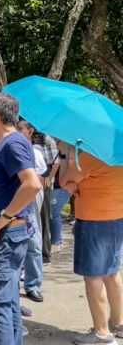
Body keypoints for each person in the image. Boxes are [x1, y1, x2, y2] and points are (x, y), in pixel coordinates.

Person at [0, 94, 42, 345]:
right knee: (8, 303)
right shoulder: (9, 142)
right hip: (3, 236)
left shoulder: (12, 143)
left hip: (1, 236)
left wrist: (5, 216)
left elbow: (32, 184)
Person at [58, 143, 123, 345]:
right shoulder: (118, 152)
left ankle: (102, 332)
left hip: (94, 220)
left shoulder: (91, 155)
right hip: (116, 216)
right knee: (111, 272)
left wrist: (65, 155)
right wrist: (80, 186)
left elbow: (63, 181)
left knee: (93, 276)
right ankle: (117, 323)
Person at [17, 118, 48, 304]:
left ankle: (33, 285)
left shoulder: (35, 150)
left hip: (30, 200)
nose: (19, 131)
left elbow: (38, 172)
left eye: (21, 129)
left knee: (34, 243)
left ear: (30, 131)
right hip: (13, 199)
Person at [49, 139, 73, 253]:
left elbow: (67, 163)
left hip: (63, 184)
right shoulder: (50, 142)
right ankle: (56, 240)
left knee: (53, 212)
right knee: (51, 212)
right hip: (53, 183)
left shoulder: (67, 144)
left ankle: (56, 242)